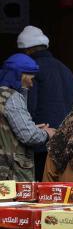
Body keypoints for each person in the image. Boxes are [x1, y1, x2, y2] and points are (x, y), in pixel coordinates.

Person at [18, 25, 73, 180]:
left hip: (40, 144)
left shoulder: (31, 71)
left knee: (39, 192)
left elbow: (28, 108)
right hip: (65, 141)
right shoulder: (66, 70)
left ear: (27, 51)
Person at [0, 53, 55, 181]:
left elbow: (5, 130)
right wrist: (47, 133)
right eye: (31, 79)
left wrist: (32, 127)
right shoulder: (12, 97)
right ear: (20, 75)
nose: (31, 84)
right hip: (11, 174)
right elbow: (28, 136)